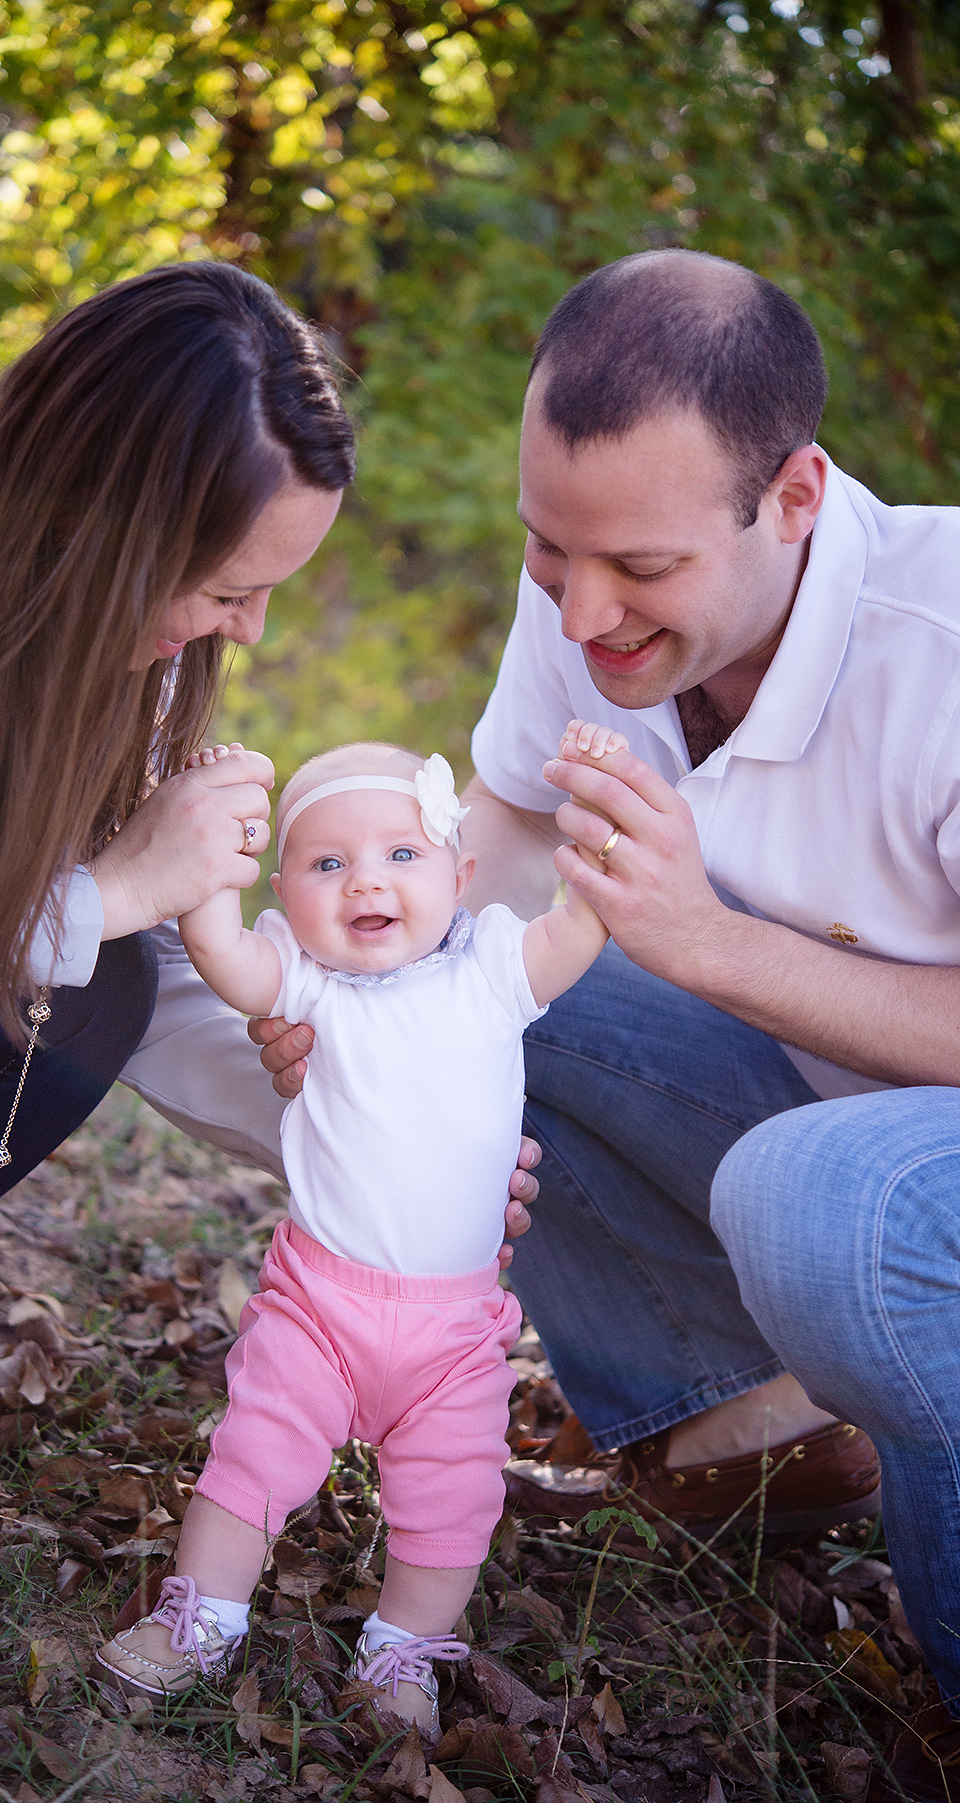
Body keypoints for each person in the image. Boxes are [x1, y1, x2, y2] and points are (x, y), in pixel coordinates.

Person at [0, 258, 535, 1465]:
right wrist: (116, 888)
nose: (250, 629)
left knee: (99, 978)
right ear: (105, 522)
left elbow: (129, 968)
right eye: (229, 589)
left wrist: (394, 1129)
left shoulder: (114, 635)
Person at [452, 249, 960, 1717]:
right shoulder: (595, 583)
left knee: (827, 1200)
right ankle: (741, 1436)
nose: (580, 613)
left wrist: (716, 945)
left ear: (794, 496)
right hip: (801, 1092)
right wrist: (365, 993)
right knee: (471, 967)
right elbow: (501, 828)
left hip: (886, 1157)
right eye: (552, 549)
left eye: (643, 569)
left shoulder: (941, 646)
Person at [96, 736, 615, 1734]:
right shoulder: (306, 982)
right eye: (327, 864)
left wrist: (598, 828)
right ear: (286, 893)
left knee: (453, 1496)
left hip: (455, 1330)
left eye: (401, 856)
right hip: (320, 1305)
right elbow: (221, 955)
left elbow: (581, 925)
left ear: (461, 878)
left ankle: (401, 1657)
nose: (366, 880)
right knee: (254, 1453)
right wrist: (214, 862)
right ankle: (200, 1618)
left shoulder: (493, 970)